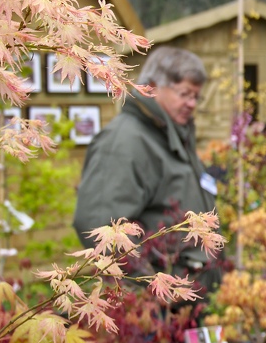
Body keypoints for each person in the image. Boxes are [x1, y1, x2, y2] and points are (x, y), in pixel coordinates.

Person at [73, 45, 219, 281]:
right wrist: (151, 286)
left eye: (196, 96)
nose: (192, 104)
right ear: (152, 87)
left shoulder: (173, 134)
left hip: (187, 298)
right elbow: (99, 225)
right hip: (157, 305)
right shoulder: (125, 142)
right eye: (184, 93)